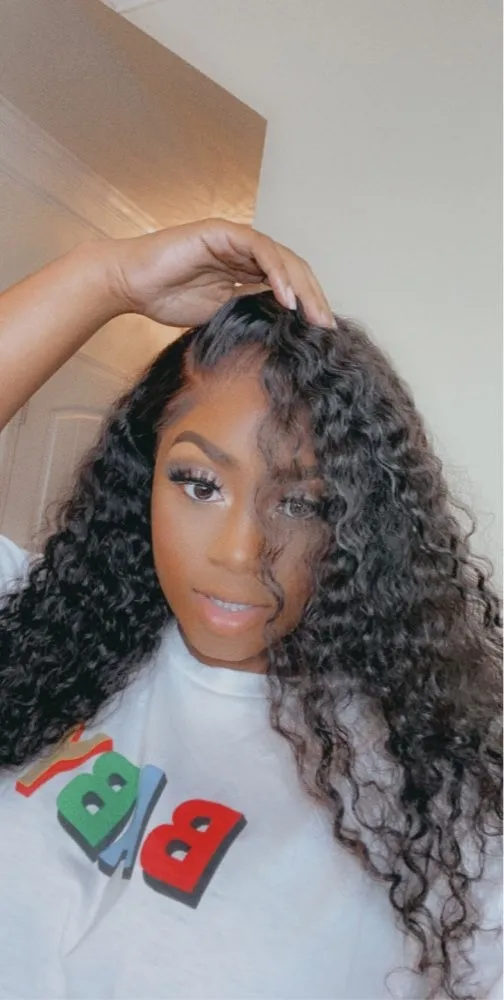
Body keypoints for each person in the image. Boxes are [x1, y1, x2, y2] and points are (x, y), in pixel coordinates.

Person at [0, 218, 501, 1000]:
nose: (241, 552)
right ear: (143, 477)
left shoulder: (440, 808)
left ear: (360, 526)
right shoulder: (41, 638)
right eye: (200, 484)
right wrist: (106, 279)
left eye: (301, 503)